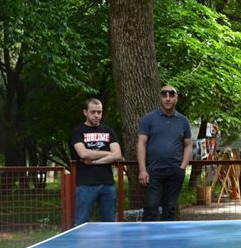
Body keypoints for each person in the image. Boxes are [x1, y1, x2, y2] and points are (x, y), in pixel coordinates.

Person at [136, 85, 193, 221]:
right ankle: (148, 235)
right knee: (151, 207)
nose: (168, 98)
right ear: (160, 98)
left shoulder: (183, 121)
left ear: (176, 98)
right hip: (153, 171)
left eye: (171, 95)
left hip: (175, 171)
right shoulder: (149, 118)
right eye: (164, 95)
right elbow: (141, 143)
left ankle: (168, 236)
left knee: (170, 208)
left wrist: (182, 168)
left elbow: (188, 145)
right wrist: (142, 170)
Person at [70, 97, 122, 224]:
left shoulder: (109, 131)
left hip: (108, 184)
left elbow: (117, 154)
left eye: (99, 112)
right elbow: (83, 154)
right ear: (85, 112)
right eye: (93, 112)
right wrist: (108, 153)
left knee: (109, 223)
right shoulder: (78, 132)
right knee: (81, 223)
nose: (97, 115)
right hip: (86, 185)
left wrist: (94, 161)